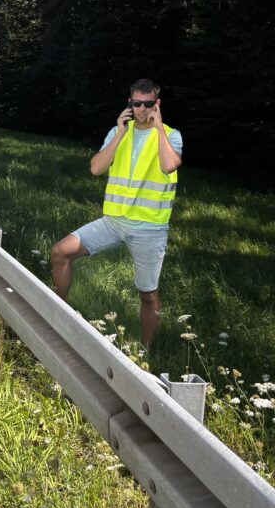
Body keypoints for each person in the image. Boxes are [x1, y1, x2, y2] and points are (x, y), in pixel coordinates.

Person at [50, 79, 182, 350]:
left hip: (149, 228)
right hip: (113, 221)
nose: (142, 109)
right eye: (137, 104)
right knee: (60, 252)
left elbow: (169, 165)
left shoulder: (171, 135)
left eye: (148, 104)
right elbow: (96, 168)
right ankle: (57, 317)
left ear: (157, 104)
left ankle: (145, 357)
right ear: (129, 104)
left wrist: (158, 128)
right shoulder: (118, 131)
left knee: (148, 296)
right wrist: (121, 134)